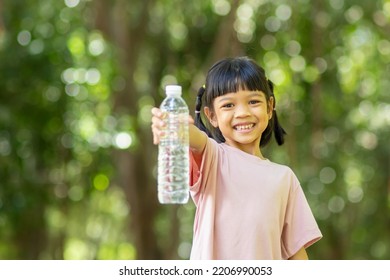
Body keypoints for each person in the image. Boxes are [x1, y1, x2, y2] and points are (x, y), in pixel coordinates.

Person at [151, 56, 322, 260]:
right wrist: (175, 127)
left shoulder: (285, 179)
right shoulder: (213, 157)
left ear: (269, 107)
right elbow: (196, 139)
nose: (242, 113)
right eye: (228, 105)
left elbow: (297, 255)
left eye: (253, 101)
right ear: (211, 116)